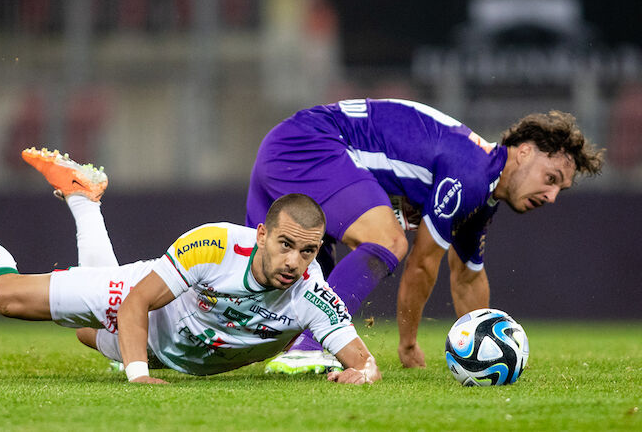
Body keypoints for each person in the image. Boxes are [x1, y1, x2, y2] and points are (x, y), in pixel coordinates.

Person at [0, 148, 381, 385]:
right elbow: (134, 300)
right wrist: (136, 376)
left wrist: (362, 374)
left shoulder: (312, 294)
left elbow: (362, 361)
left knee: (89, 336)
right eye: (286, 245)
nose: (294, 262)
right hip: (143, 307)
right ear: (262, 234)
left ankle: (85, 199)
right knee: (5, 299)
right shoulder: (216, 247)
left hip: (170, 351)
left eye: (308, 251)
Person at [246, 98, 604, 372]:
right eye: (551, 178)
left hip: (289, 145)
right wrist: (408, 344)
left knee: (272, 292)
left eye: (562, 190)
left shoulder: (482, 191)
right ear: (524, 152)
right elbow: (421, 264)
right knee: (389, 241)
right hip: (310, 143)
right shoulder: (472, 175)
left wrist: (485, 343)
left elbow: (467, 278)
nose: (552, 196)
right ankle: (310, 347)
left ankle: (227, 341)